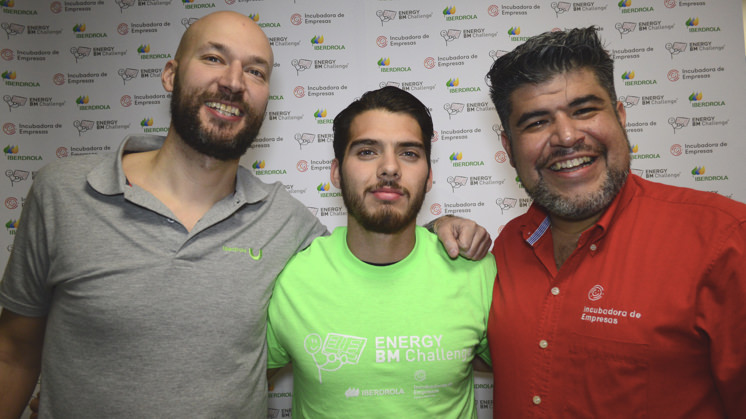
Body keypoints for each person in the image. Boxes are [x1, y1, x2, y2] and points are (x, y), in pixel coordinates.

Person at [0, 12, 489, 419]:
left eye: (255, 71)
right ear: (170, 74)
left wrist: (438, 234)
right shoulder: (61, 192)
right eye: (213, 58)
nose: (233, 82)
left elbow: (378, 252)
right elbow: (14, 351)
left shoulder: (287, 225)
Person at [486, 26, 746, 417]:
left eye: (584, 110)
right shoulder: (506, 246)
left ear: (620, 117)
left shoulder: (724, 240)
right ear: (508, 147)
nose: (567, 137)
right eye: (536, 122)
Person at [266, 86, 495, 417]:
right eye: (367, 152)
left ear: (429, 176)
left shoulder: (474, 269)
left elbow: (525, 374)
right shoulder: (291, 278)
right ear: (336, 173)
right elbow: (238, 382)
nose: (389, 168)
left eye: (409, 153)